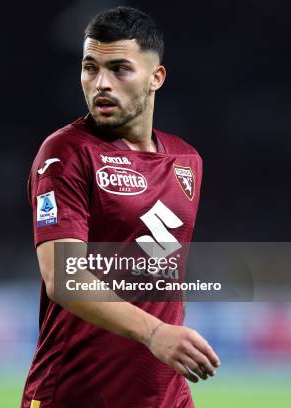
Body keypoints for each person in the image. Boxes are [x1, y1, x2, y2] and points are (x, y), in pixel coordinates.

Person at [22, 6, 220, 408]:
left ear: (156, 78)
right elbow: (64, 277)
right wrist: (154, 333)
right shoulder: (65, 154)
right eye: (90, 67)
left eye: (119, 69)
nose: (101, 84)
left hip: (164, 397)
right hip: (77, 394)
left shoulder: (187, 162)